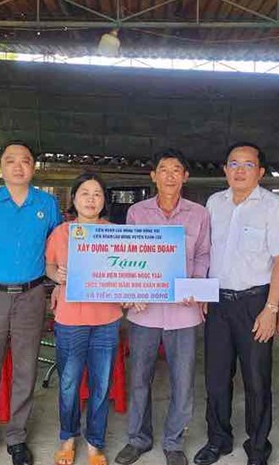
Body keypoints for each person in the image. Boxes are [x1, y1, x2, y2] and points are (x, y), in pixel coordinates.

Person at [0, 140, 62, 465]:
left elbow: (57, 249)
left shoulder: (46, 203)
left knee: (25, 368)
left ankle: (17, 436)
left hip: (32, 295)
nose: (18, 166)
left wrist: (59, 284)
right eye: (10, 160)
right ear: (1, 166)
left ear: (34, 167)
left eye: (26, 160)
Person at [195, 142, 279, 465]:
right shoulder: (213, 203)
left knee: (257, 379)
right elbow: (205, 253)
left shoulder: (273, 206)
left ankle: (258, 446)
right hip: (219, 304)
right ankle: (218, 439)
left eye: (248, 165)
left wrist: (272, 309)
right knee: (217, 377)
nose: (239, 170)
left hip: (255, 304)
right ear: (224, 169)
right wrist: (203, 292)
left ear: (261, 172)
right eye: (233, 164)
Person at [114, 148, 211, 465]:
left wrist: (195, 286)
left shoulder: (199, 214)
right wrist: (133, 289)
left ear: (185, 176)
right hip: (145, 309)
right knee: (139, 378)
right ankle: (138, 439)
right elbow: (130, 258)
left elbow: (202, 256)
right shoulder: (137, 213)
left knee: (183, 382)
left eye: (176, 169)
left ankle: (173, 442)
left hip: (184, 312)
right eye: (163, 169)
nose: (170, 175)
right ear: (153, 176)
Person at [45, 173, 123, 465]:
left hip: (107, 319)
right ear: (74, 198)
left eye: (97, 194)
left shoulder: (115, 232)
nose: (91, 199)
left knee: (101, 384)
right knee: (69, 383)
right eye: (85, 193)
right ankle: (67, 437)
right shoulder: (62, 232)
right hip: (70, 318)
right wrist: (57, 275)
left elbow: (126, 271)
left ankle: (95, 443)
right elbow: (49, 265)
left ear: (104, 201)